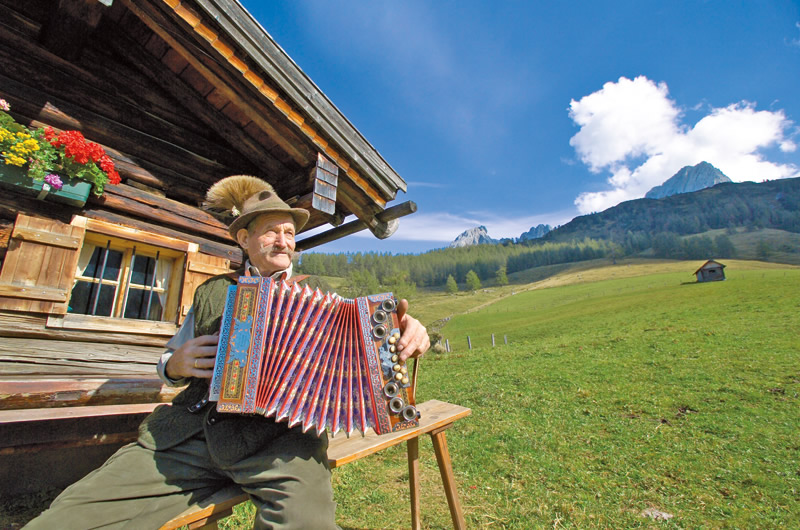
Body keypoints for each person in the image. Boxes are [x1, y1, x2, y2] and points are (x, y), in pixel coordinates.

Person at [26, 176, 430, 529]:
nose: (284, 242)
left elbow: (368, 338)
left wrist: (406, 331)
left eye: (289, 233)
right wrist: (175, 365)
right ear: (243, 239)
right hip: (191, 435)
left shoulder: (320, 293)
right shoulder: (213, 292)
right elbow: (168, 362)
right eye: (271, 232)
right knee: (70, 516)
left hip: (282, 445)